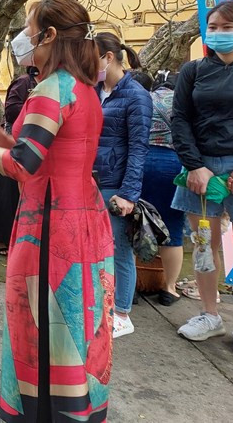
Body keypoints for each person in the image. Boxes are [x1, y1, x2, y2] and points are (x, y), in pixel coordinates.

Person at [0, 0, 114, 422]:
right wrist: (2, 138)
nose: (23, 39)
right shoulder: (83, 88)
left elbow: (23, 166)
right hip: (84, 219)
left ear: (50, 35)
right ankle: (76, 408)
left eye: (28, 29)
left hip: (46, 227)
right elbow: (50, 151)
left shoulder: (50, 88)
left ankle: (42, 412)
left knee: (40, 325)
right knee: (78, 321)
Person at [171, 0, 233, 359]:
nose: (219, 33)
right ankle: (209, 313)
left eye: (227, 27)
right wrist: (194, 165)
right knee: (204, 245)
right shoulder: (193, 71)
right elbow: (180, 120)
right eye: (214, 26)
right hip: (200, 171)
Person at [93, 32, 151, 339]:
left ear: (109, 57)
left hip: (115, 185)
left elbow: (139, 148)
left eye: (92, 58)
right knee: (97, 250)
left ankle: (123, 313)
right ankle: (103, 307)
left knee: (119, 249)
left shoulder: (136, 95)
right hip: (92, 181)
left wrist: (129, 194)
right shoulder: (95, 90)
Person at [140, 70, 185, 306]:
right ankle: (169, 288)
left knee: (137, 222)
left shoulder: (146, 97)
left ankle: (134, 282)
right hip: (173, 164)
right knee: (172, 228)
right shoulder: (184, 100)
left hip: (141, 161)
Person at [0, 66, 38, 255]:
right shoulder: (24, 82)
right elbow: (11, 110)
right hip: (12, 142)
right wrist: (33, 109)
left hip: (33, 142)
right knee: (5, 194)